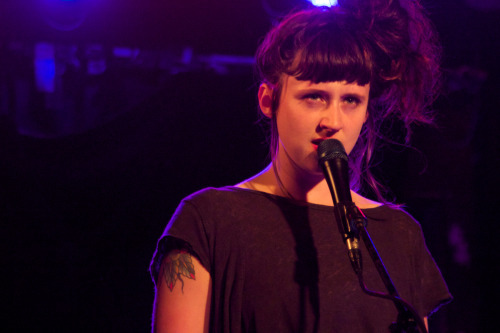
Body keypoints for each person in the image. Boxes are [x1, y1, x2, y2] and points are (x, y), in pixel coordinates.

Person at [149, 0, 452, 331]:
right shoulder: (208, 220)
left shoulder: (398, 234)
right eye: (314, 96)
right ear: (268, 100)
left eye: (351, 100)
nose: (333, 121)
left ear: (366, 111)